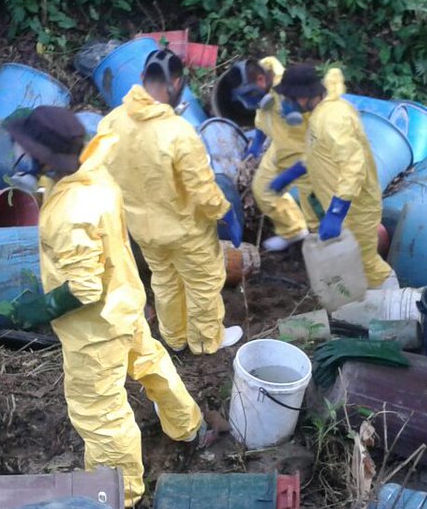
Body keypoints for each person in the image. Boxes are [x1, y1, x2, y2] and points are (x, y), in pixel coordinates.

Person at [0, 107, 209, 507]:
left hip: (94, 330)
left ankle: (120, 496)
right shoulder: (94, 172)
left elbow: (84, 288)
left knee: (99, 412)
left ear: (43, 157)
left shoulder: (68, 213)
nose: (17, 153)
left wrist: (41, 310)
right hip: (125, 301)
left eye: (23, 147)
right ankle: (187, 426)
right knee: (150, 362)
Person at [97, 49, 244, 355]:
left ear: (141, 79)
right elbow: (203, 189)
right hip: (185, 230)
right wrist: (225, 214)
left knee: (164, 281)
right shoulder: (179, 133)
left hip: (142, 229)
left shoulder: (111, 123)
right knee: (203, 283)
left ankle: (175, 338)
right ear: (176, 83)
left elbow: (102, 172)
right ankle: (206, 341)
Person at [270, 64, 395, 288]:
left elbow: (353, 165)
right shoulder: (319, 115)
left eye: (289, 98)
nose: (286, 104)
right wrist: (295, 171)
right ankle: (363, 304)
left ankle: (395, 308)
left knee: (368, 264)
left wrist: (337, 211)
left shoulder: (332, 119)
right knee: (350, 264)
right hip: (341, 205)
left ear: (304, 96)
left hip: (355, 209)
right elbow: (322, 154)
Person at [231, 57, 318, 251]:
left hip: (308, 150)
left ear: (261, 80)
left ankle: (325, 247)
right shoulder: (263, 87)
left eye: (248, 95)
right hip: (280, 147)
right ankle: (293, 230)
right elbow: (263, 116)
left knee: (317, 207)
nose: (248, 102)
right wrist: (257, 143)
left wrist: (297, 169)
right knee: (263, 189)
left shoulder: (292, 91)